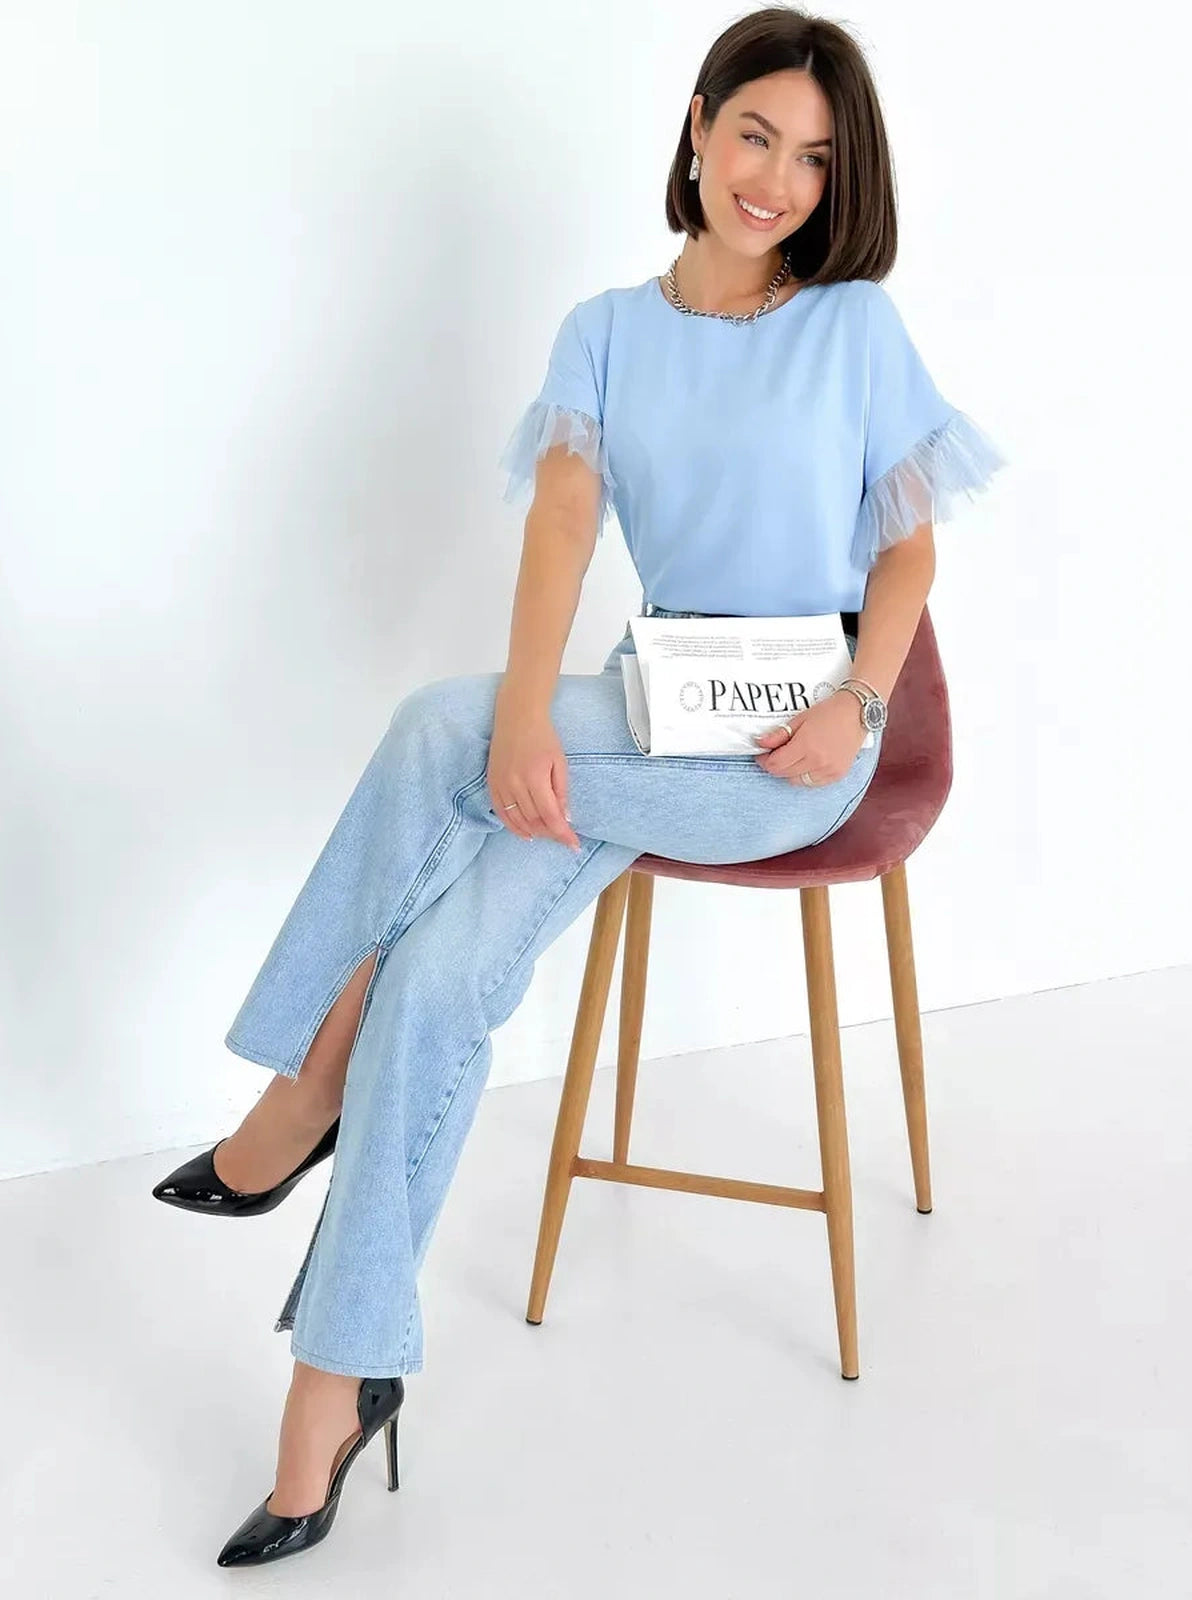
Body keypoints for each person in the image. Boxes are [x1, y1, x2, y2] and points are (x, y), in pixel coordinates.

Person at [152, 3, 1006, 1567]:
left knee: (434, 732)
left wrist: (859, 705)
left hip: (788, 751)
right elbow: (561, 526)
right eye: (755, 135)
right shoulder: (607, 331)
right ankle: (338, 1387)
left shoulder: (853, 328)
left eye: (815, 159)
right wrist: (531, 725)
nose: (777, 179)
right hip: (643, 709)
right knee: (437, 977)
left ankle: (299, 1094)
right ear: (698, 128)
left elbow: (909, 554)